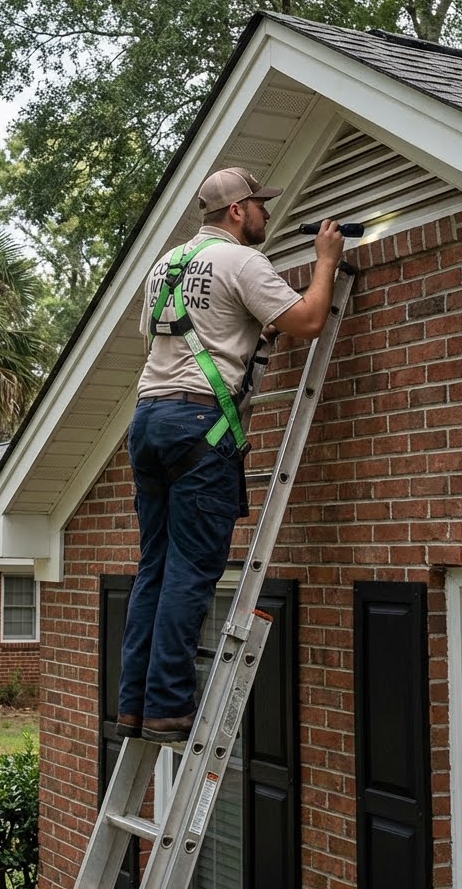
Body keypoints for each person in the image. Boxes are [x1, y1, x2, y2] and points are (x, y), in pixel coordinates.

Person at [117, 166, 344, 742]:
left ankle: (136, 706)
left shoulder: (165, 266)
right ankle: (169, 707)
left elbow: (170, 334)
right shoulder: (242, 261)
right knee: (191, 571)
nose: (267, 213)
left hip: (148, 421)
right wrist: (325, 261)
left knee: (155, 568)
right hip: (199, 425)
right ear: (238, 211)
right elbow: (311, 319)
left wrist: (248, 334)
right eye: (260, 205)